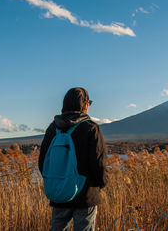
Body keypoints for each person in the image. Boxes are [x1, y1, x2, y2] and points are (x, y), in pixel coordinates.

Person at [38, 87, 108, 231]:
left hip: (59, 193)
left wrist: (57, 180)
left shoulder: (53, 129)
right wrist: (102, 183)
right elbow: (98, 163)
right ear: (84, 105)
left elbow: (43, 162)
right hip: (85, 195)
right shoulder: (91, 128)